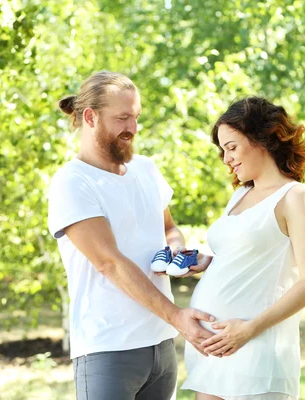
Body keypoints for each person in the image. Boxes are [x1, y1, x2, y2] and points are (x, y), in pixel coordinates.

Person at [47, 71, 215, 400]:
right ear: (90, 117)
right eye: (122, 118)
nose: (133, 129)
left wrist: (176, 252)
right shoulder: (72, 182)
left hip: (160, 345)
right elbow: (108, 262)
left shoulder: (146, 169)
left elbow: (167, 228)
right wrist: (179, 317)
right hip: (108, 349)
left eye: (136, 117)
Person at [180, 97, 305, 400]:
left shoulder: (296, 197)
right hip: (216, 349)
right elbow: (249, 251)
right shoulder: (241, 194)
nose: (225, 159)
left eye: (232, 147)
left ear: (263, 139)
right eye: (222, 150)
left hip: (256, 348)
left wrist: (248, 329)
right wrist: (207, 261)